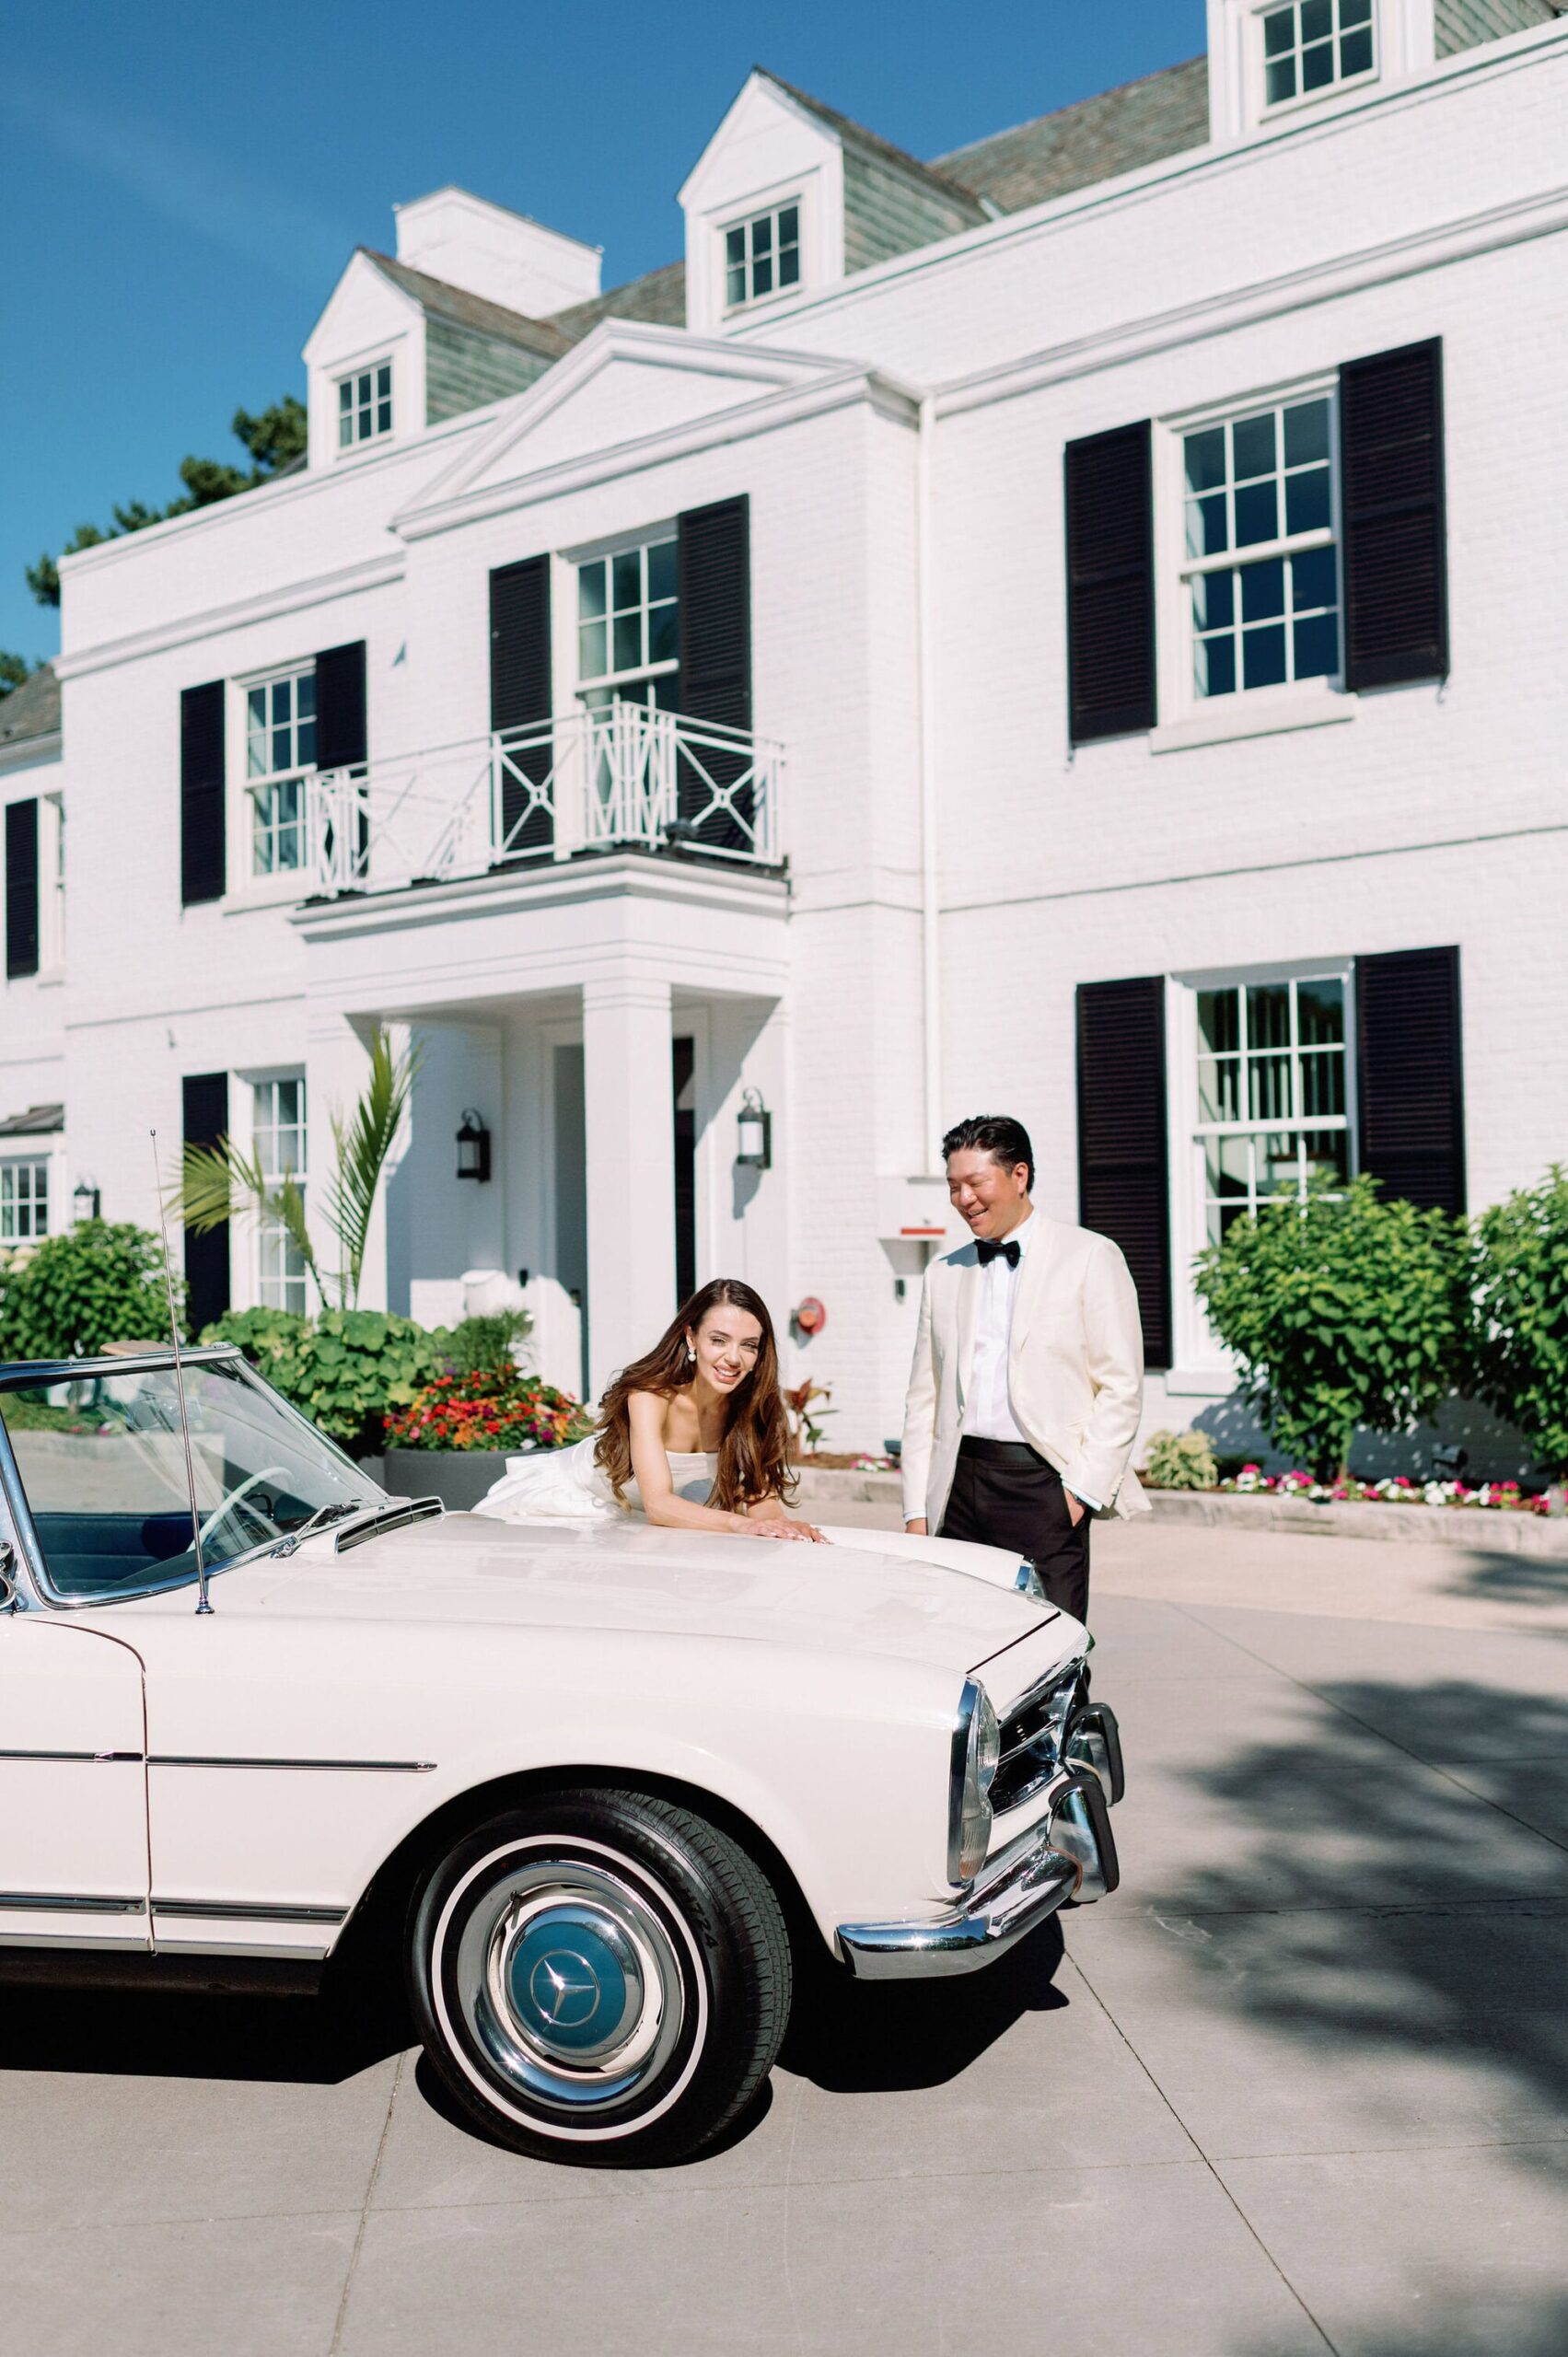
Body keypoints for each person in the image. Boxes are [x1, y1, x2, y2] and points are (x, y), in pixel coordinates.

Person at [901, 1113, 1147, 1623]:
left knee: (1049, 1655)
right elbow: (923, 1399)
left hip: (1043, 1485)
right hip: (958, 1486)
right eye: (953, 1186)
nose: (963, 1199)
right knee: (961, 1642)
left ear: (1019, 1176)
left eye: (975, 1183)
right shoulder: (943, 1273)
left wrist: (1078, 1494)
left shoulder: (1091, 1256)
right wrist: (917, 1510)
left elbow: (1121, 1387)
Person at [476, 1277, 827, 1541]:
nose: (733, 1358)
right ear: (691, 1338)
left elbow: (759, 1498)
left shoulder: (752, 1407)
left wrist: (779, 1527)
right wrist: (743, 1524)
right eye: (718, 1340)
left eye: (748, 1345)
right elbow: (658, 1504)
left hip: (634, 1518)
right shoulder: (649, 1395)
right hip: (569, 1500)